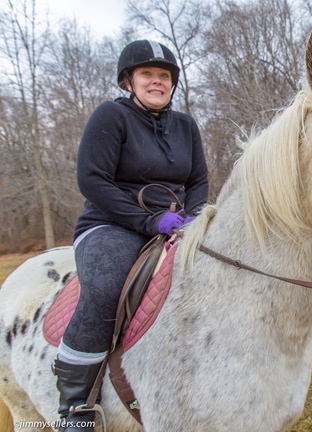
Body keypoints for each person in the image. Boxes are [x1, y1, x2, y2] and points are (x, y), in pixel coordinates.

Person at [53, 40, 208, 431]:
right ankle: (75, 408)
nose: (157, 82)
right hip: (110, 224)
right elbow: (92, 180)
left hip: (175, 224)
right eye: (147, 74)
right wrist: (147, 222)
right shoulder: (110, 116)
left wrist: (192, 218)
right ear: (129, 81)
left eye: (164, 76)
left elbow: (199, 180)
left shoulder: (186, 126)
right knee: (105, 287)